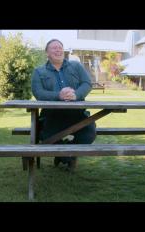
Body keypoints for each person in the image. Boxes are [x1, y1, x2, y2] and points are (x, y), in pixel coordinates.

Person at [31, 39, 96, 171]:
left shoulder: (76, 66)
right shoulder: (39, 72)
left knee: (89, 133)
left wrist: (76, 95)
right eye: (54, 48)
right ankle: (67, 158)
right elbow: (38, 93)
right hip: (52, 116)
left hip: (77, 114)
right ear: (47, 53)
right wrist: (58, 96)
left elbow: (87, 83)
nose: (58, 50)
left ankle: (64, 155)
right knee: (46, 137)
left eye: (60, 47)